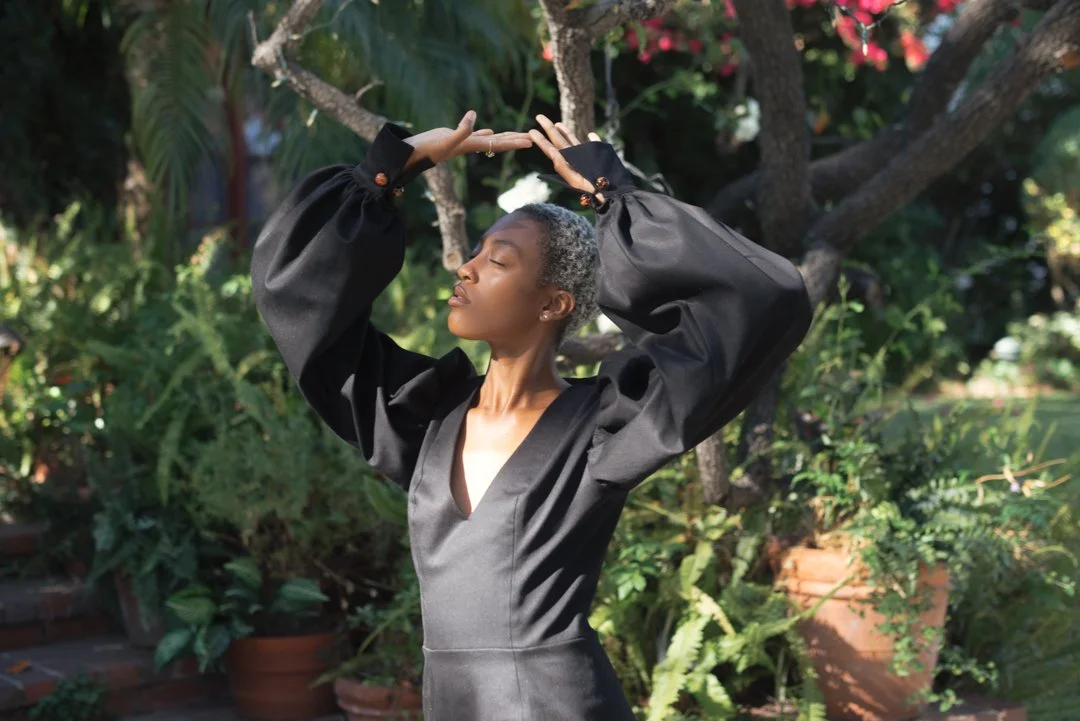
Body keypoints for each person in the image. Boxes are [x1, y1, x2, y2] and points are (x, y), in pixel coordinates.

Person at [251, 110, 813, 721]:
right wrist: (386, 172)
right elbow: (298, 303)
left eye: (497, 261)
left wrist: (614, 195)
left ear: (554, 304)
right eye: (475, 253)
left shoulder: (606, 427)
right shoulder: (421, 417)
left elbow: (763, 300)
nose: (466, 268)